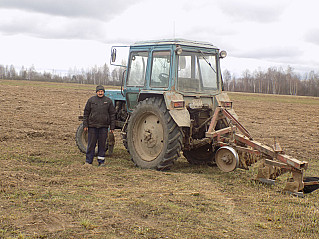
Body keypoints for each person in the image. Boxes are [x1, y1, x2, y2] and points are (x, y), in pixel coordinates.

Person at [83, 85, 116, 166]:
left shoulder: (108, 101)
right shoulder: (91, 100)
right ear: (96, 92)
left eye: (101, 91)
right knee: (91, 144)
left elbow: (112, 114)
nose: (100, 93)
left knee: (102, 145)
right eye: (99, 91)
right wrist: (85, 125)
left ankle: (101, 162)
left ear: (104, 92)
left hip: (104, 127)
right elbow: (86, 113)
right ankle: (88, 161)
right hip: (92, 126)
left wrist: (112, 127)